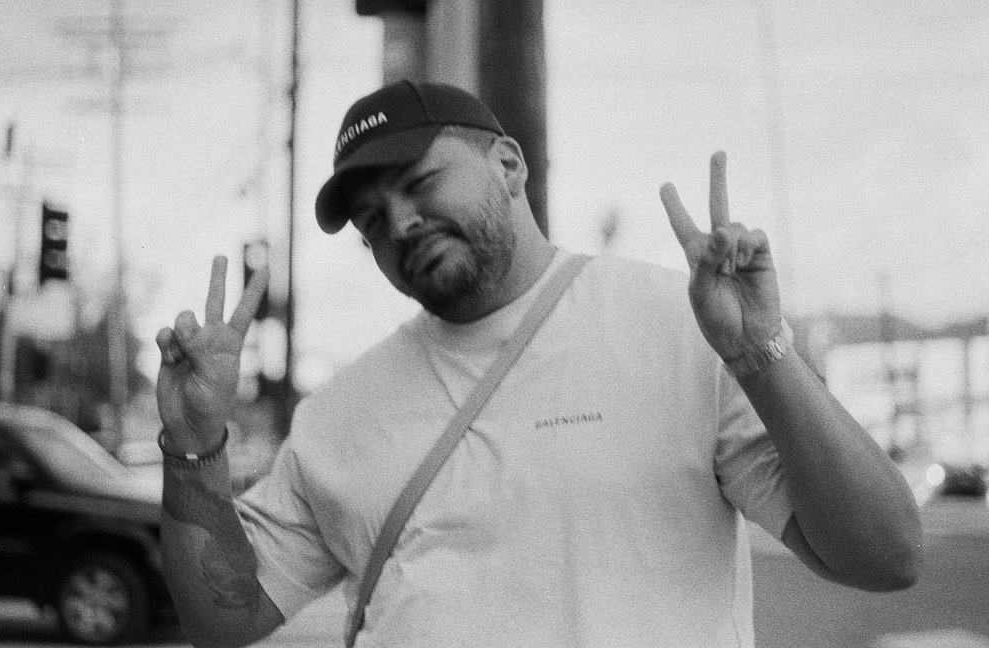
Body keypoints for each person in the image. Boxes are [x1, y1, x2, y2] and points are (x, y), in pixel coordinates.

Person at [156, 79, 921, 648]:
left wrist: (761, 354)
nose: (402, 223)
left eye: (420, 183)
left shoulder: (680, 329)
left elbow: (887, 556)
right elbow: (224, 620)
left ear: (509, 165)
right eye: (372, 220)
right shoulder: (338, 415)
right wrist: (192, 446)